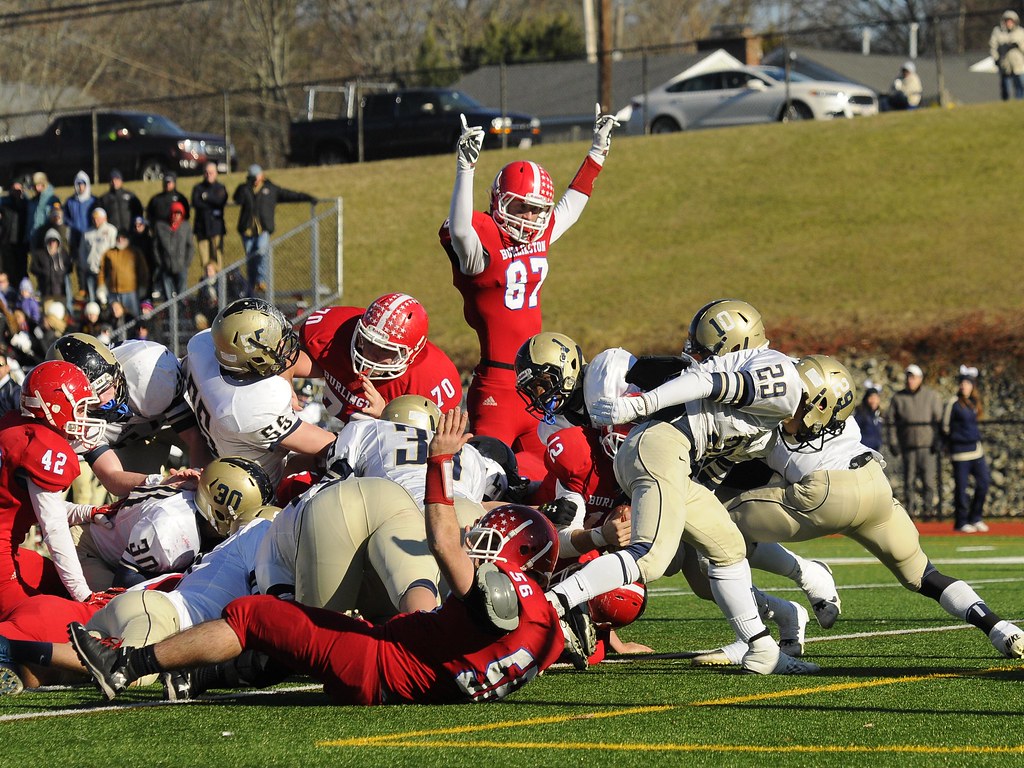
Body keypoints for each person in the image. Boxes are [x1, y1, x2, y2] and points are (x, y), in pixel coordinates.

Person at [68, 408, 568, 706]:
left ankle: (124, 664)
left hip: (380, 663)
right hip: (402, 662)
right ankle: (197, 674)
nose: (480, 549)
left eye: (492, 542)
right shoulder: (545, 626)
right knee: (296, 630)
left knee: (254, 614)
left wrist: (438, 461)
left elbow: (442, 540)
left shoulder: (498, 595)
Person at [528, 302, 826, 675]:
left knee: (727, 548)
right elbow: (704, 380)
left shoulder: (767, 423)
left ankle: (762, 650)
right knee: (649, 558)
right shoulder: (781, 382)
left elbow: (717, 458)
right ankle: (550, 604)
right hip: (658, 448)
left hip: (672, 458)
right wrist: (640, 404)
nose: (697, 356)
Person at [718, 356, 1023, 663]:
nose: (789, 406)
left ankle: (754, 637)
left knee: (713, 526)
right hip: (874, 483)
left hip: (824, 495)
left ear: (817, 406)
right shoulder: (843, 417)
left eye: (797, 400)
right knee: (925, 576)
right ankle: (1000, 628)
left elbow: (745, 449)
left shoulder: (774, 422)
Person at [438, 108, 618, 481]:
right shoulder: (480, 244)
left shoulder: (537, 236)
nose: (530, 217)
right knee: (482, 479)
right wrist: (465, 168)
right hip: (497, 387)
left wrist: (597, 152)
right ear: (499, 201)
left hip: (538, 383)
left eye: (537, 210)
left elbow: (572, 204)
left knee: (555, 476)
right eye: (521, 206)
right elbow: (459, 231)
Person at [182, 297, 336, 486]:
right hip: (264, 490)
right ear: (254, 360)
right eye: (277, 343)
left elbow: (290, 364)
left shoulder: (204, 346)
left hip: (223, 451)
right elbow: (331, 445)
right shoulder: (252, 403)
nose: (283, 345)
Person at [0, 361, 108, 616]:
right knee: (75, 618)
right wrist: (84, 595)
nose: (84, 417)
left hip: (9, 547)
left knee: (53, 582)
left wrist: (87, 512)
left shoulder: (16, 428)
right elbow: (54, 528)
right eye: (80, 409)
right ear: (55, 407)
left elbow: (38, 506)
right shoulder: (42, 446)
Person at [47, 332, 211, 497]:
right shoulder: (71, 416)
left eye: (106, 386)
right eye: (91, 397)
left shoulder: (148, 370)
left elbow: (195, 436)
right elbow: (112, 476)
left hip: (168, 420)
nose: (105, 400)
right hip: (129, 443)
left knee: (217, 469)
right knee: (138, 500)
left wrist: (200, 479)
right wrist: (164, 482)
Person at [292, 293, 462, 422]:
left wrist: (387, 415)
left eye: (385, 350)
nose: (371, 354)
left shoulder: (430, 379)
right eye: (368, 342)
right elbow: (290, 362)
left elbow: (420, 449)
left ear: (411, 353)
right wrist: (284, 380)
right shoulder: (337, 331)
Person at [232, 164, 315, 296]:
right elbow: (237, 198)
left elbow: (289, 194)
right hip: (247, 230)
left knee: (261, 250)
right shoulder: (245, 189)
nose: (254, 179)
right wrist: (246, 186)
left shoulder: (270, 188)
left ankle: (261, 280)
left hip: (263, 229)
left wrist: (308, 197)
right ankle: (252, 287)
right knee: (250, 259)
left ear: (261, 175)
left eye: (255, 176)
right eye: (251, 177)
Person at [888, 363, 944, 520]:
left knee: (928, 482)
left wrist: (938, 440)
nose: (910, 380)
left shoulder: (931, 396)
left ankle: (928, 510)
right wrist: (893, 442)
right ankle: (910, 511)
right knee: (909, 481)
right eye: (908, 377)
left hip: (927, 447)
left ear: (920, 379)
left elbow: (938, 421)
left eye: (913, 377)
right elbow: (891, 423)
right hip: (908, 447)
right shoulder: (898, 398)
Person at [942, 366, 991, 534]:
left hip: (976, 451)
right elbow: (945, 427)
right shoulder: (953, 403)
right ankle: (961, 522)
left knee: (984, 483)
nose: (964, 386)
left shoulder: (974, 403)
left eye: (967, 383)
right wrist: (952, 442)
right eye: (962, 383)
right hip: (960, 453)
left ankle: (975, 517)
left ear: (972, 386)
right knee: (961, 488)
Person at [98, 230, 148, 317]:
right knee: (116, 317)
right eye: (118, 238)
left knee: (133, 316)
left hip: (130, 292)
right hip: (113, 292)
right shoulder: (109, 253)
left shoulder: (135, 252)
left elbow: (143, 271)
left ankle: (134, 330)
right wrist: (101, 287)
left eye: (123, 238)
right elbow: (102, 271)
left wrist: (143, 286)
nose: (120, 240)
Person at [152, 202, 193, 300]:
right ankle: (171, 313)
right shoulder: (160, 227)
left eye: (178, 214)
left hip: (181, 266)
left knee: (182, 295)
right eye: (174, 213)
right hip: (166, 266)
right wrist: (160, 262)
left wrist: (186, 263)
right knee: (168, 296)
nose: (176, 216)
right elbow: (155, 247)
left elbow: (190, 246)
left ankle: (181, 312)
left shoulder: (185, 227)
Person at [191, 161, 228, 268]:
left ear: (216, 173)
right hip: (201, 229)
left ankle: (219, 284)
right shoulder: (198, 188)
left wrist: (206, 197)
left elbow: (220, 201)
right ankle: (207, 283)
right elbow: (196, 202)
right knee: (205, 262)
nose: (209, 175)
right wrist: (212, 203)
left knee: (217, 259)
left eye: (211, 172)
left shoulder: (220, 187)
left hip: (216, 228)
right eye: (206, 172)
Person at [80, 208, 118, 303]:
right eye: (94, 218)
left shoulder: (111, 230)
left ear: (104, 218)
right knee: (93, 298)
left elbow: (114, 250)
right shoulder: (87, 233)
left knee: (107, 297)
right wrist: (85, 265)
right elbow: (82, 251)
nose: (95, 221)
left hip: (106, 272)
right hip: (91, 270)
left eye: (98, 218)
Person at [29, 228, 70, 305]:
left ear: (58, 242)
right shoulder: (40, 254)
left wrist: (62, 272)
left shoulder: (63, 254)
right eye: (50, 241)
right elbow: (32, 268)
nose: (52, 243)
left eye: (54, 241)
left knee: (60, 312)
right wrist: (43, 272)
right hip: (45, 290)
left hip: (60, 290)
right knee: (47, 312)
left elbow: (69, 267)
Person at [990, 10, 1024, 100]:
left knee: (1020, 86)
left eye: (1011, 21)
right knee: (1006, 88)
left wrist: (1018, 45)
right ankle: (1006, 103)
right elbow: (993, 46)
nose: (1009, 23)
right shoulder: (998, 32)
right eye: (1007, 21)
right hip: (1004, 64)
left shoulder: (1021, 32)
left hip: (1018, 65)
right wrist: (996, 59)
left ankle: (1019, 103)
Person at [98, 169, 143, 236]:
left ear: (121, 180)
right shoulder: (104, 198)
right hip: (112, 234)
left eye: (116, 179)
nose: (114, 182)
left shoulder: (130, 196)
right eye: (112, 179)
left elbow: (139, 212)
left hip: (130, 232)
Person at [0, 182, 29, 286]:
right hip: (7, 242)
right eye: (14, 189)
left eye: (19, 189)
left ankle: (23, 292)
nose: (17, 192)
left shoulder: (26, 204)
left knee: (22, 269)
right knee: (8, 270)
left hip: (21, 242)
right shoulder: (4, 203)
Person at [64, 171, 97, 261]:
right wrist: (72, 225)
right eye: (78, 184)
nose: (80, 187)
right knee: (78, 262)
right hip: (75, 237)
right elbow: (65, 217)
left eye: (83, 184)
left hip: (91, 236)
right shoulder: (70, 201)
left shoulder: (94, 201)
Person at [25, 172, 57, 251]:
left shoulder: (52, 200)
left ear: (44, 184)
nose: (36, 187)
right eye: (34, 185)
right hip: (33, 237)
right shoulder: (33, 201)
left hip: (46, 237)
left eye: (39, 185)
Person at [853, 381, 883, 452]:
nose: (874, 401)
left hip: (876, 449)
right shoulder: (860, 414)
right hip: (863, 450)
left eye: (876, 398)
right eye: (871, 398)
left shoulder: (878, 415)